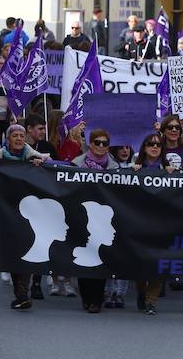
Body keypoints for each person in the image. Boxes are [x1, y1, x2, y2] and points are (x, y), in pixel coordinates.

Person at [0, 124, 48, 310]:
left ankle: (23, 294)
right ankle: (20, 294)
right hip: (7, 211)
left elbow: (49, 170)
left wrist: (40, 166)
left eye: (22, 135)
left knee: (27, 247)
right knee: (12, 250)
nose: (19, 139)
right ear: (8, 139)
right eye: (15, 136)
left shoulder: (34, 157)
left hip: (30, 212)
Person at [71, 129, 119, 313]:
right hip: (82, 215)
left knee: (101, 256)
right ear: (90, 144)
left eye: (104, 143)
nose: (100, 146)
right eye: (97, 142)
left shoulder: (114, 167)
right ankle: (86, 296)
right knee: (84, 254)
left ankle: (97, 299)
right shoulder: (77, 163)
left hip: (103, 218)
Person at [131, 134, 172, 315]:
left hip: (161, 223)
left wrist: (174, 173)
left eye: (158, 145)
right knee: (140, 263)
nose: (154, 147)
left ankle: (151, 301)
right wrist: (132, 171)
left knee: (158, 262)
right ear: (144, 147)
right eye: (150, 144)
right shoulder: (135, 167)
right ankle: (141, 291)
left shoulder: (168, 169)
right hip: (139, 222)